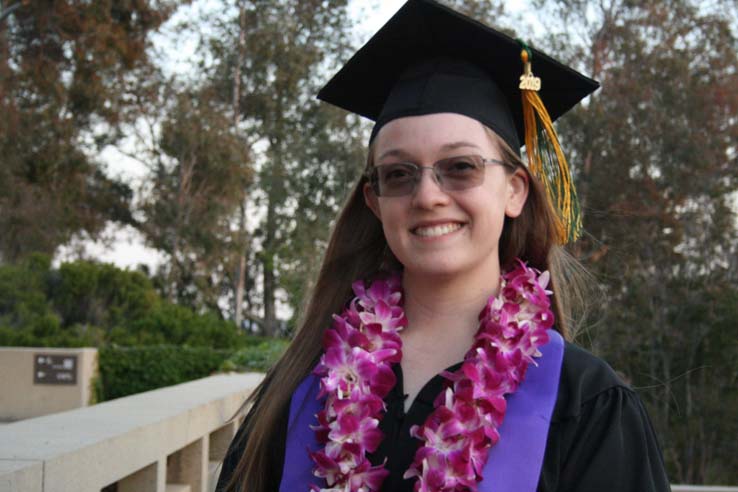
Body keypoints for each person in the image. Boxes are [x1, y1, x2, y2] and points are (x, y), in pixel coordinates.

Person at [216, 0, 670, 491]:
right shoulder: (304, 390)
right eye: (399, 173)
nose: (428, 196)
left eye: (460, 167)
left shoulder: (584, 403)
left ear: (514, 190)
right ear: (374, 199)